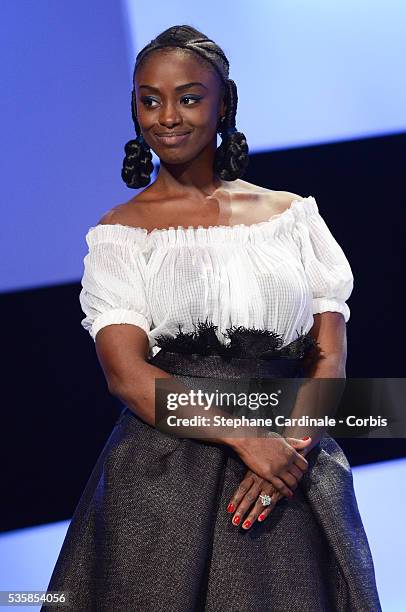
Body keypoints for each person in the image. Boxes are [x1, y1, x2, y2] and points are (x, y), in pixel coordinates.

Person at [42, 24, 382, 612]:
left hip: (292, 470)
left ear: (224, 104)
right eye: (150, 100)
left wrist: (289, 448)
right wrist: (245, 437)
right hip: (164, 478)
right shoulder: (121, 235)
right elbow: (126, 375)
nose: (166, 117)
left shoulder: (294, 219)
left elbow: (328, 354)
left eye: (189, 98)